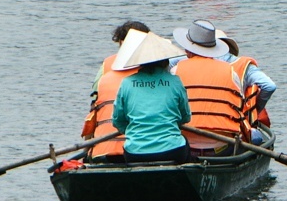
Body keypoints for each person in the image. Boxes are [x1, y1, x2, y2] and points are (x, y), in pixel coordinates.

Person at [172, 20, 276, 152]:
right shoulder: (232, 72)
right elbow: (268, 86)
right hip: (223, 145)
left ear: (188, 49)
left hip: (185, 143)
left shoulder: (176, 69)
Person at [107, 31, 193, 165]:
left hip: (135, 152)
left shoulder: (127, 83)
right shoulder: (175, 81)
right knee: (185, 143)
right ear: (165, 61)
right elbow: (185, 117)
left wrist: (133, 133)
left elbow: (118, 120)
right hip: (172, 149)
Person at [82, 20, 153, 160]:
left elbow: (94, 108)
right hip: (143, 150)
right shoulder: (156, 67)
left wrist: (86, 152)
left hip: (103, 150)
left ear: (121, 42)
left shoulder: (107, 66)